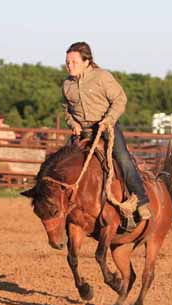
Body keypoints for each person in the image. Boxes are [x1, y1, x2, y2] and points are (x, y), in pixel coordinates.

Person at [62, 41, 152, 220]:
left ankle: (141, 201)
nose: (69, 66)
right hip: (82, 132)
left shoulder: (102, 77)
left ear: (87, 61)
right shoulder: (67, 85)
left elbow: (120, 99)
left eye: (74, 62)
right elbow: (65, 109)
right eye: (67, 62)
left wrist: (108, 120)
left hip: (106, 128)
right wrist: (74, 124)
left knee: (123, 159)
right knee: (65, 164)